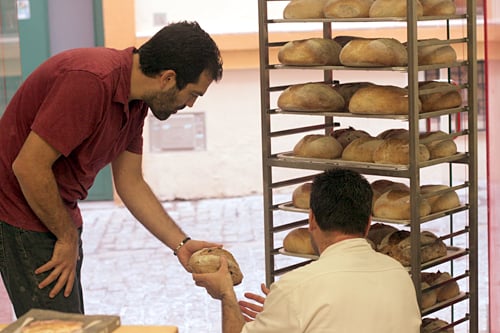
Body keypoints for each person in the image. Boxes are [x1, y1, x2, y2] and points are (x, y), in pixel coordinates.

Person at [0, 21, 223, 317]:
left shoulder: (136, 102)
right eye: (193, 93)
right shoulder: (91, 81)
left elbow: (130, 183)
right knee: (58, 325)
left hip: (53, 208)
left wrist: (180, 244)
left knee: (67, 321)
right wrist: (66, 238)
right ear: (168, 78)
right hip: (18, 208)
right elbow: (28, 167)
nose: (191, 104)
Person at [193, 169, 422, 333]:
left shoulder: (297, 287)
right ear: (369, 223)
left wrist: (226, 294)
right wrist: (286, 315)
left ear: (311, 219)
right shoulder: (399, 274)